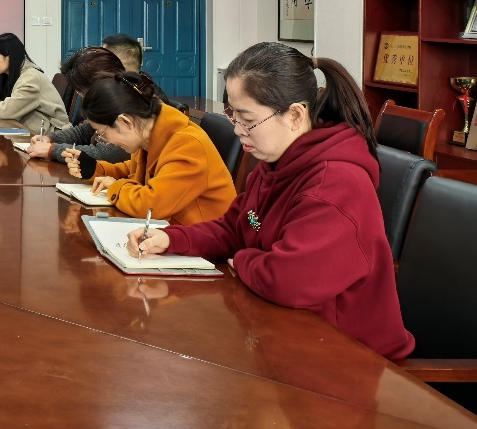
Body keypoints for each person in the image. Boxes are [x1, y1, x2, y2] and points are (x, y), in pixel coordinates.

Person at [127, 43, 414, 359]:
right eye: (233, 116)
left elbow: (288, 280)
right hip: (284, 333)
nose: (238, 130)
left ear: (295, 115)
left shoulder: (335, 185)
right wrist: (171, 239)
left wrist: (243, 260)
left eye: (247, 119)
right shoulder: (275, 162)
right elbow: (235, 228)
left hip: (346, 356)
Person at [66, 71, 234, 226]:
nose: (106, 141)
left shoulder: (188, 145)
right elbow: (132, 170)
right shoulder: (147, 134)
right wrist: (95, 169)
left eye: (103, 134)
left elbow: (151, 206)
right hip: (171, 232)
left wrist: (115, 187)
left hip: (205, 242)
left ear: (125, 122)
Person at [27, 46, 129, 164]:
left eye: (83, 92)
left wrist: (52, 150)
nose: (83, 98)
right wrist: (50, 139)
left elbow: (108, 154)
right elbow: (83, 132)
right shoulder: (107, 101)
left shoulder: (128, 106)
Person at [0, 32, 70, 133]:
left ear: (9, 57)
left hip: (52, 135)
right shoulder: (18, 73)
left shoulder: (30, 77)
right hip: (35, 129)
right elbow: (10, 100)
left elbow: (8, 110)